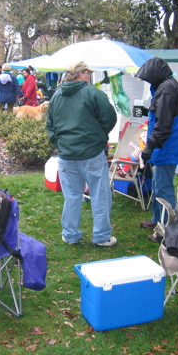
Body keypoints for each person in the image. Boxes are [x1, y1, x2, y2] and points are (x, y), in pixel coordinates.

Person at [46, 61, 117, 246]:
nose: (90, 76)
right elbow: (109, 118)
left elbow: (50, 126)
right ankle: (101, 237)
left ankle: (70, 235)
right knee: (100, 195)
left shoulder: (56, 96)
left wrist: (61, 143)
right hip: (91, 153)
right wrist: (99, 137)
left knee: (72, 196)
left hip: (67, 154)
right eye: (88, 73)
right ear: (81, 73)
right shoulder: (93, 93)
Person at [136, 57, 178, 242]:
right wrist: (147, 111)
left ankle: (170, 231)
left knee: (163, 189)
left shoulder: (166, 89)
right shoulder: (167, 85)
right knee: (157, 184)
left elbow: (163, 126)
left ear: (155, 75)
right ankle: (157, 219)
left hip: (168, 144)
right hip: (167, 143)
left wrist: (148, 149)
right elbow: (163, 113)